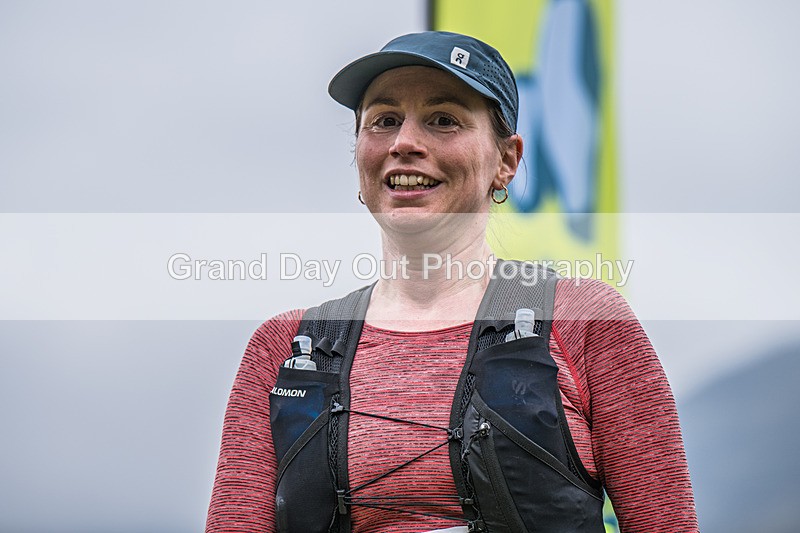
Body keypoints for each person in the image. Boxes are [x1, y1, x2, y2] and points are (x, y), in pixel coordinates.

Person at [206, 31, 698, 533]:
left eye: (443, 120)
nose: (404, 143)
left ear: (506, 161)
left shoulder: (583, 321)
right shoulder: (287, 348)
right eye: (384, 120)